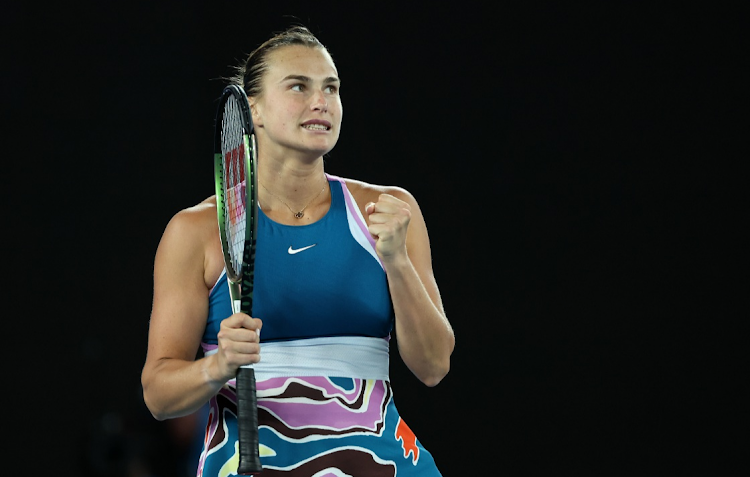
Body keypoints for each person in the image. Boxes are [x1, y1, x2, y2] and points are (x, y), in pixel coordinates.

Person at [141, 25, 455, 476]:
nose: (321, 102)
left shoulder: (388, 211)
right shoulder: (195, 232)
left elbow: (433, 366)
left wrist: (397, 262)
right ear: (255, 109)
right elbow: (158, 395)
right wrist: (218, 367)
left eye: (332, 87)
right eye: (298, 86)